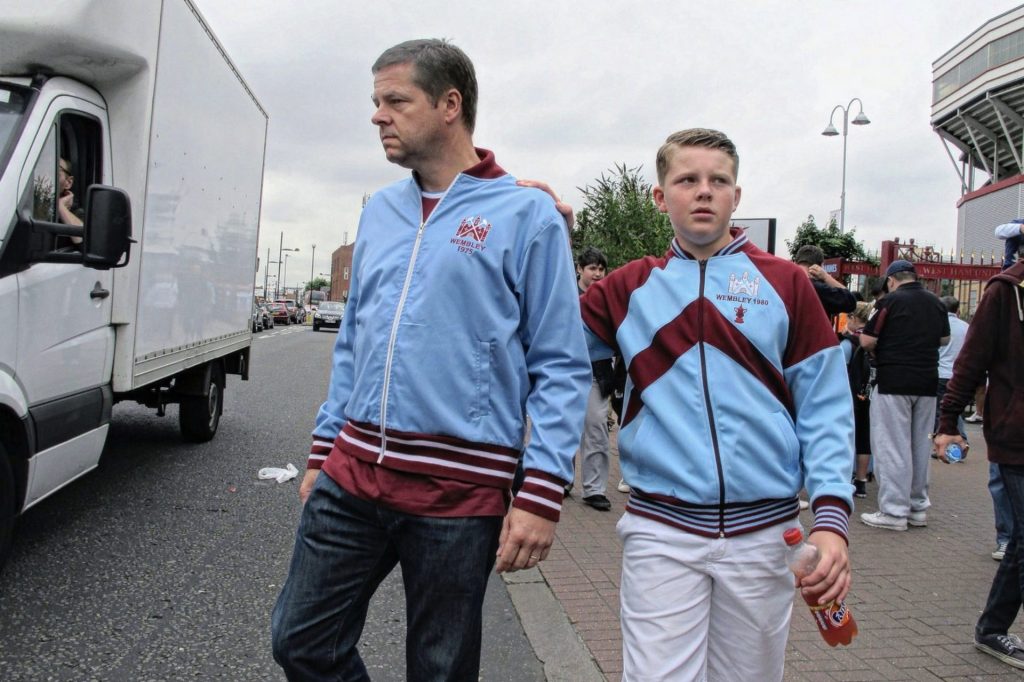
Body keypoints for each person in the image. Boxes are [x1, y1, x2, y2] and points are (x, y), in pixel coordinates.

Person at [270, 39, 591, 681]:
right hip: (354, 473)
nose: (377, 116)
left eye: (395, 100)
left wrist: (541, 493)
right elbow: (357, 338)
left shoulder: (527, 215)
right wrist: (323, 448)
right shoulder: (383, 210)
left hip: (459, 490)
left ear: (450, 105)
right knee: (300, 640)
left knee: (440, 671)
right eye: (375, 102)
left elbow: (560, 364)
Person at [577, 128, 854, 681]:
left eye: (717, 180)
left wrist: (831, 520)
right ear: (661, 196)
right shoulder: (628, 288)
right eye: (687, 179)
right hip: (662, 531)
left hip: (767, 534)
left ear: (736, 196)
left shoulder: (787, 284)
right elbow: (540, 349)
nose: (703, 191)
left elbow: (825, 408)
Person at [933, 259, 1024, 670]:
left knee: (1021, 544)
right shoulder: (1005, 292)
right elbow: (971, 362)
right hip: (1016, 439)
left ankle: (991, 629)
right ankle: (991, 631)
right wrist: (948, 422)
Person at [859, 260, 949, 531]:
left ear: (891, 280)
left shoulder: (890, 302)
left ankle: (894, 511)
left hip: (893, 381)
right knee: (920, 444)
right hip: (927, 382)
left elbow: (867, 340)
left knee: (892, 445)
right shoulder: (936, 303)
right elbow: (944, 339)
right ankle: (917, 506)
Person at [573, 246, 615, 511]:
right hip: (566, 370)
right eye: (592, 268)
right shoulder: (565, 294)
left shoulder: (610, 299)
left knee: (597, 428)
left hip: (597, 372)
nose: (598, 274)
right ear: (580, 269)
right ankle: (560, 481)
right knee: (563, 427)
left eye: (601, 269)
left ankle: (594, 489)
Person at [840, 301, 873, 498]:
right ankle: (861, 481)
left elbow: (840, 372)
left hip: (849, 396)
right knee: (863, 438)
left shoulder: (848, 343)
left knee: (846, 437)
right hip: (868, 395)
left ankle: (844, 478)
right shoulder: (875, 340)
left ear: (853, 318)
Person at [793, 243, 857, 318]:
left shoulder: (785, 284)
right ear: (819, 266)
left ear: (795, 262)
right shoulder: (818, 289)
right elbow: (850, 302)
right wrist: (826, 277)